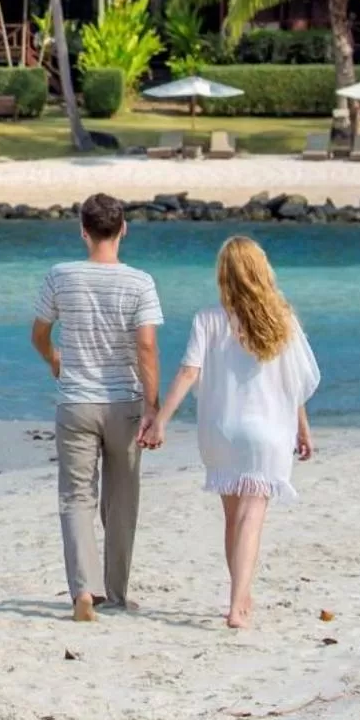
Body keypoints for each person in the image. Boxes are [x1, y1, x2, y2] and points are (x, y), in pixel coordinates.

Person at [140, 236, 318, 630]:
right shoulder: (282, 320)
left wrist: (162, 419)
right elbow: (295, 384)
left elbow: (189, 372)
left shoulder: (208, 319)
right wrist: (303, 429)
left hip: (221, 431)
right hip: (268, 432)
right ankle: (238, 605)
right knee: (252, 517)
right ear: (262, 271)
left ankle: (241, 591)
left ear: (224, 275)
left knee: (232, 517)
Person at [31, 192, 162, 622]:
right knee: (122, 500)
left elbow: (39, 333)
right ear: (123, 228)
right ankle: (118, 593)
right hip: (123, 401)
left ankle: (84, 592)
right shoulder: (139, 282)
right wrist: (152, 406)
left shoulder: (60, 276)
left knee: (76, 498)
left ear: (83, 231)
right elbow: (146, 346)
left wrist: (54, 359)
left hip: (75, 402)